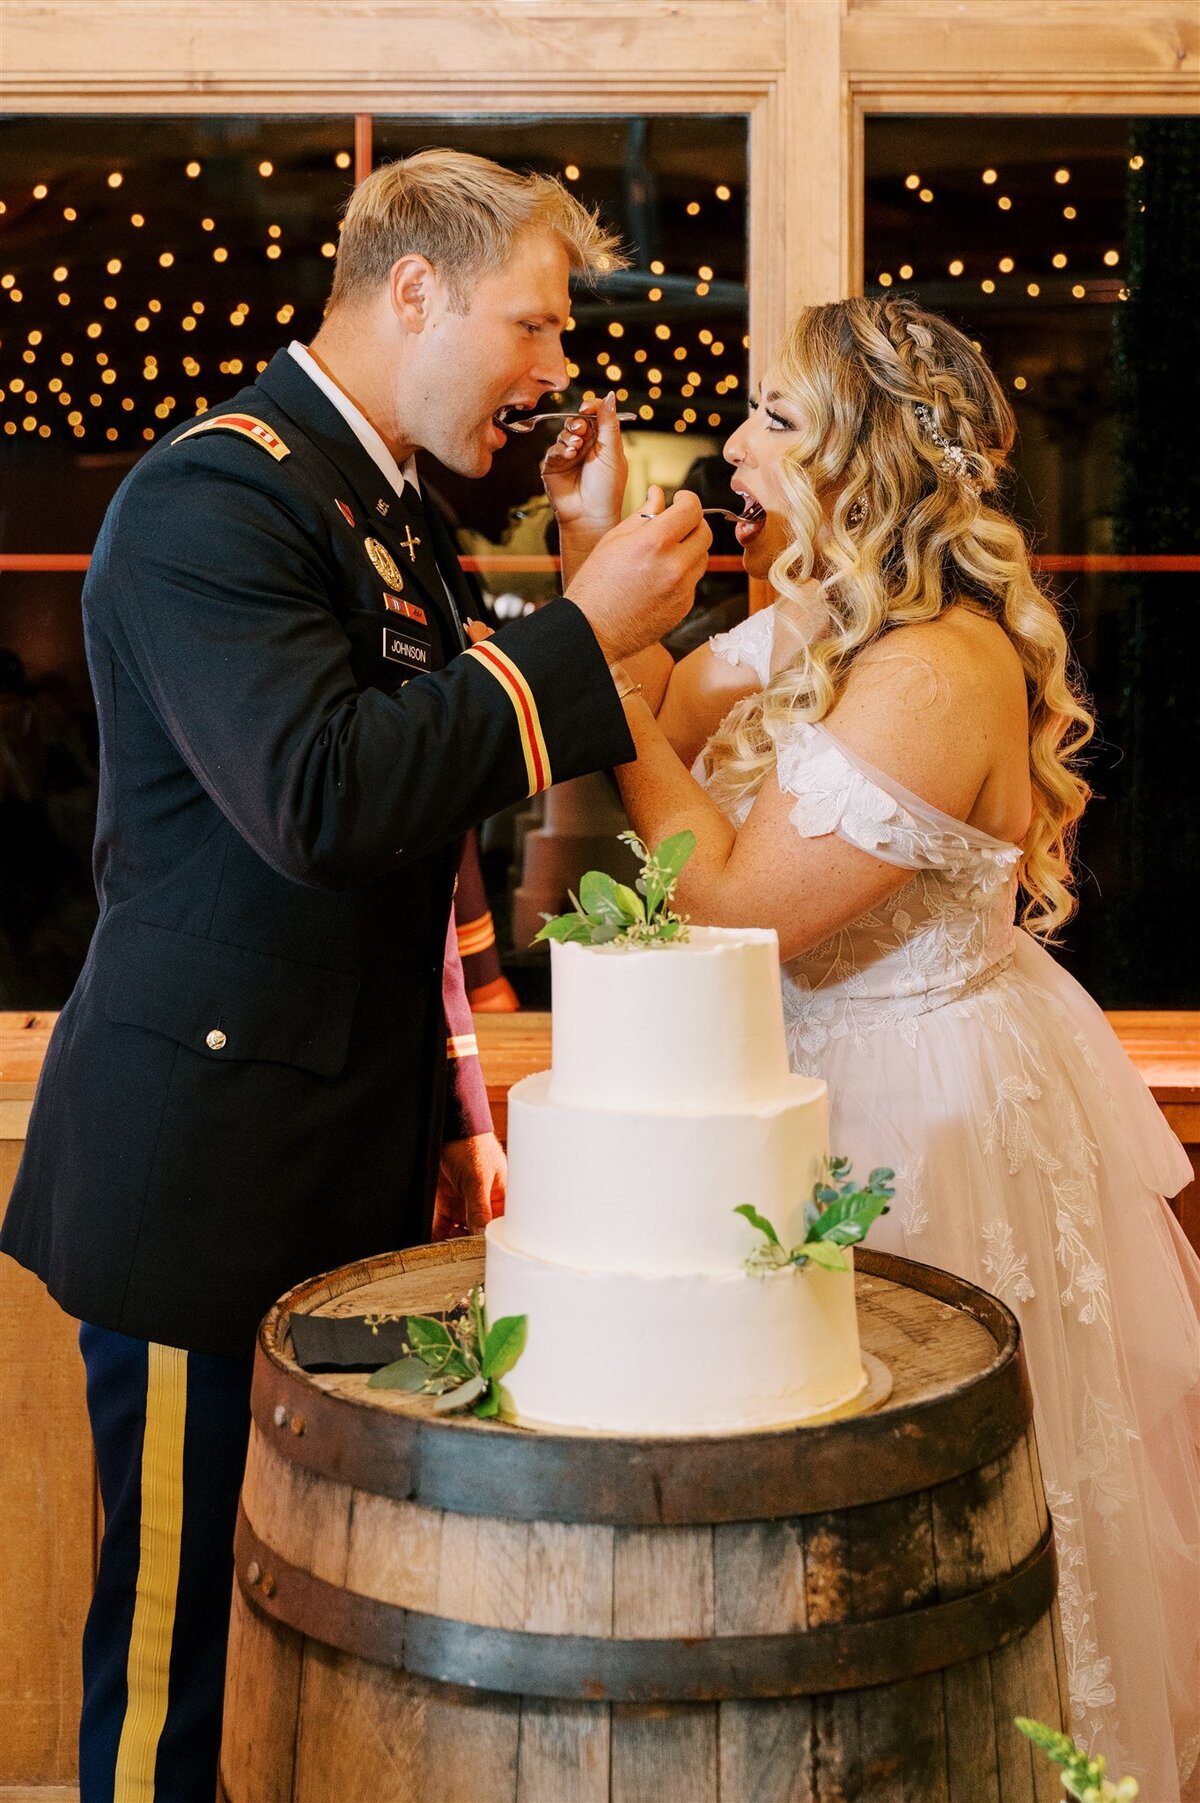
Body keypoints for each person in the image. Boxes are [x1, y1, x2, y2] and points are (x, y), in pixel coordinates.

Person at [0, 147, 711, 1801]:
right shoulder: (212, 495)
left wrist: (576, 573)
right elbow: (322, 798)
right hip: (209, 1180)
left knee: (304, 1638)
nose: (556, 371)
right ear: (413, 290)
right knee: (175, 1663)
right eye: (533, 325)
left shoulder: (383, 506)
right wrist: (581, 632)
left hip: (348, 1163)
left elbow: (433, 823)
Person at [555, 296, 1200, 1798]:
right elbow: (651, 695)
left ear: (869, 456)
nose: (734, 443)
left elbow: (724, 897)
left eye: (777, 419)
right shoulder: (811, 625)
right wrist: (593, 564)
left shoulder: (933, 671)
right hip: (788, 1089)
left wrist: (607, 685)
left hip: (915, 1104)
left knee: (922, 1495)